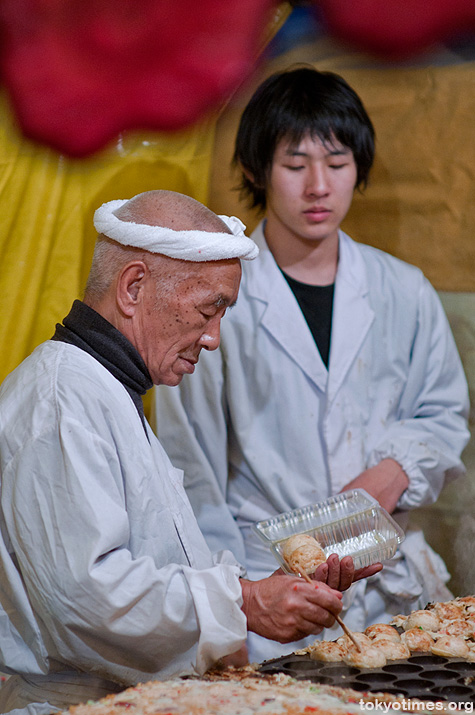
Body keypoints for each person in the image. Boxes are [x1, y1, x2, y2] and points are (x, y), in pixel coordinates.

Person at [0, 190, 380, 714]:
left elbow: (152, 561)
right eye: (209, 309)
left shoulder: (109, 392)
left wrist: (263, 592)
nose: (213, 339)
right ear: (133, 286)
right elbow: (86, 597)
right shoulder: (61, 398)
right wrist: (244, 604)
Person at [154, 68, 471, 663]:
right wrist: (238, 604)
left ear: (360, 167)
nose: (319, 186)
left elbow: (445, 414)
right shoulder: (217, 301)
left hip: (388, 594)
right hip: (265, 591)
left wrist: (392, 473)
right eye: (296, 165)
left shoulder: (403, 289)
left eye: (338, 161)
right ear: (255, 170)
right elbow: (188, 469)